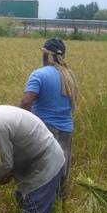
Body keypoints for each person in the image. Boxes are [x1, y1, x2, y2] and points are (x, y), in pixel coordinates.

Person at [20, 37, 78, 194]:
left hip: (44, 127)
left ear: (46, 55)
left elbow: (26, 102)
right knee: (62, 167)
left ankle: (40, 204)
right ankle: (60, 202)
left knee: (42, 170)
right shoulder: (70, 76)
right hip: (66, 129)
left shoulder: (39, 74)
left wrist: (22, 123)